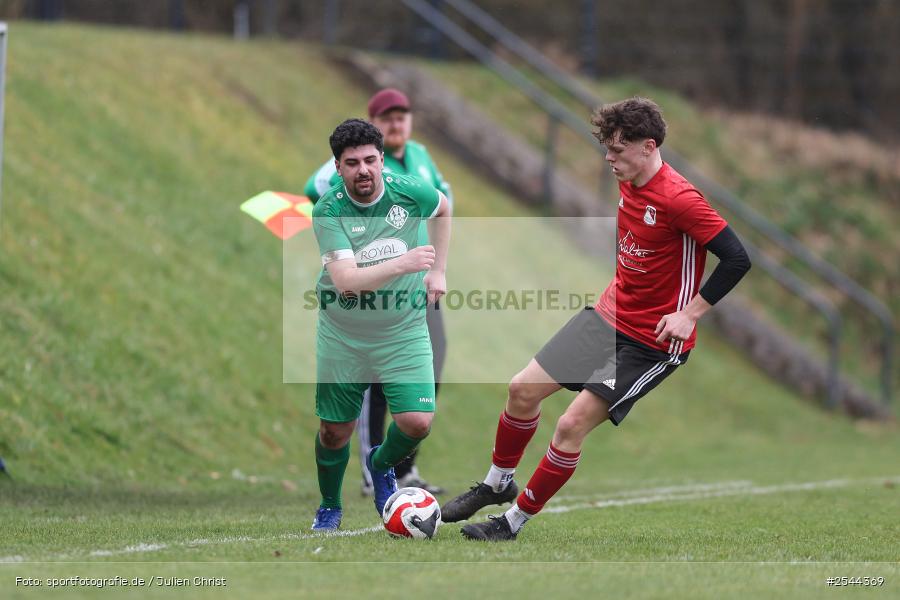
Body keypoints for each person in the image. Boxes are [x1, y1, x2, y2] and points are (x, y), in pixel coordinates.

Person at [441, 97, 751, 541]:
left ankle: (512, 523)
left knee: (570, 425)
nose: (609, 159)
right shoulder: (629, 178)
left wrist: (689, 314)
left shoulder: (680, 198)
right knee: (521, 389)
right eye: (606, 148)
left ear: (648, 146)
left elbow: (737, 259)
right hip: (609, 317)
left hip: (653, 343)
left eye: (618, 150)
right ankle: (496, 484)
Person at [304, 89, 451, 496]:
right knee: (334, 431)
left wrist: (437, 271)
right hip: (344, 329)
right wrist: (406, 262)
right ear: (338, 167)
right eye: (352, 163)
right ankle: (330, 506)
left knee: (418, 421)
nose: (363, 170)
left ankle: (383, 465)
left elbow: (444, 207)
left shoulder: (411, 180)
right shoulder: (328, 209)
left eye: (370, 160)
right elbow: (347, 282)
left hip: (403, 321)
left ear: (381, 161)